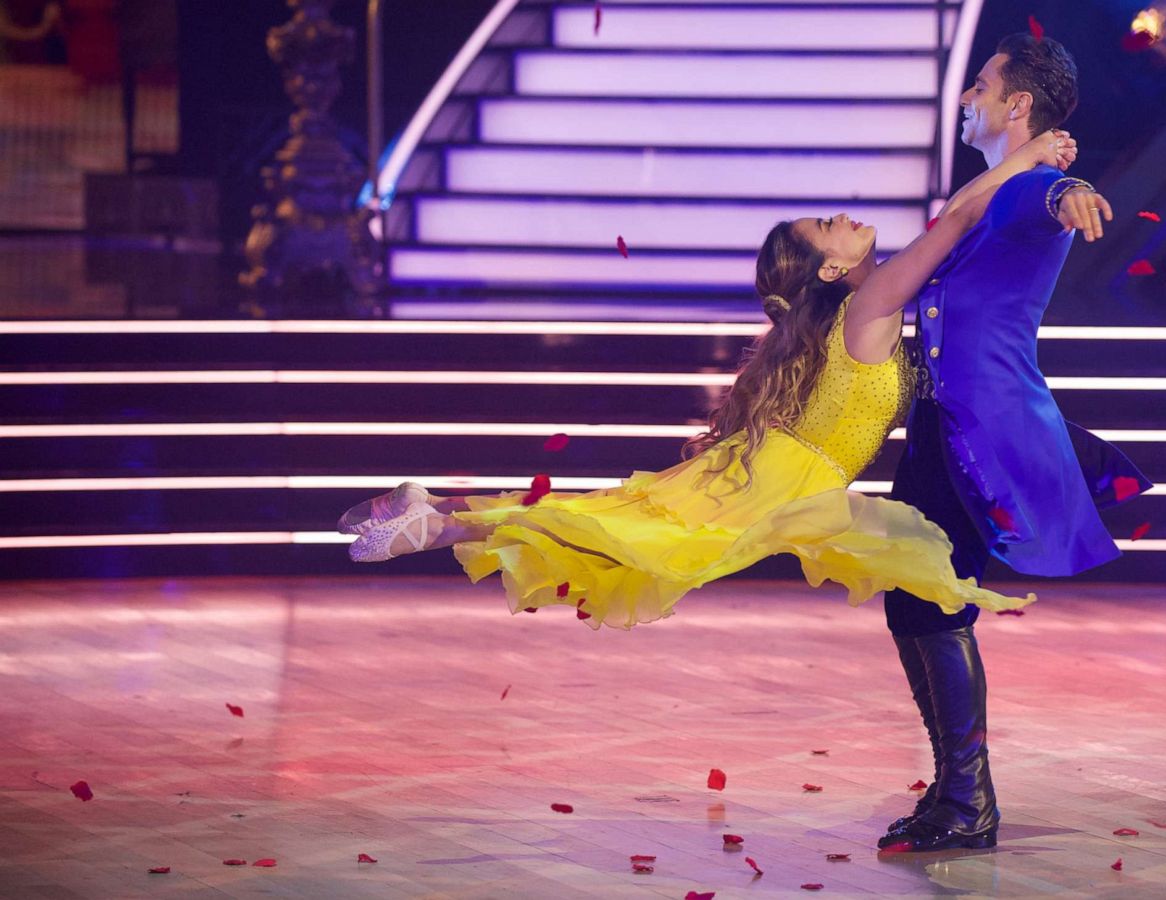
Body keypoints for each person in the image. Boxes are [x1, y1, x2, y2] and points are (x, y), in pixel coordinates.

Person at [336, 128, 1083, 635]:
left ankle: (437, 516)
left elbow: (958, 231)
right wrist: (1029, 158)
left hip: (780, 481)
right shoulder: (869, 305)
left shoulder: (852, 313)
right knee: (618, 534)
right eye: (832, 223)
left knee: (618, 529)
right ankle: (435, 519)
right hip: (777, 486)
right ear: (830, 268)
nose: (848, 216)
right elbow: (952, 221)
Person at [874, 33, 1151, 854]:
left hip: (981, 432)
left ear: (1017, 103)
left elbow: (1045, 197)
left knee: (936, 599)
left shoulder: (1025, 190)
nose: (967, 98)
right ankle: (951, 793)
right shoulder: (995, 184)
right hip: (940, 424)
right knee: (907, 602)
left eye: (981, 85)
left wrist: (1072, 189)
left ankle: (969, 804)